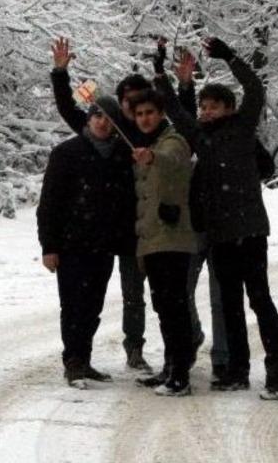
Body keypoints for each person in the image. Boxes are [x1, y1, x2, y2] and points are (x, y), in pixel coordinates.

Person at [49, 37, 205, 374]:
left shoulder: (149, 137)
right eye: (130, 104)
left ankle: (185, 348)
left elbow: (186, 123)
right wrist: (61, 73)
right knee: (133, 295)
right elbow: (72, 110)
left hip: (159, 230)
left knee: (174, 296)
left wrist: (184, 84)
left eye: (142, 105)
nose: (137, 112)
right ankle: (134, 348)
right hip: (124, 233)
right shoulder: (111, 136)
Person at [153, 37, 278, 400]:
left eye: (213, 106)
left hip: (250, 230)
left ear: (229, 109)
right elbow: (173, 111)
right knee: (230, 304)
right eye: (204, 106)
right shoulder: (199, 138)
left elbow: (254, 88)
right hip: (219, 234)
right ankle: (237, 371)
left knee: (260, 300)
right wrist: (161, 70)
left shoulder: (244, 128)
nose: (206, 111)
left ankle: (276, 369)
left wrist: (229, 56)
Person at [36, 97, 137, 389]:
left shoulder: (121, 154)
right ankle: (73, 363)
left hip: (104, 244)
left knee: (93, 305)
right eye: (97, 116)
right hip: (71, 244)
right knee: (73, 306)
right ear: (89, 119)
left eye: (108, 118)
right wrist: (49, 246)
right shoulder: (67, 153)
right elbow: (50, 204)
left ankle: (85, 358)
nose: (102, 123)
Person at [128, 89, 198, 397]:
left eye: (150, 113)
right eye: (139, 114)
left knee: (174, 307)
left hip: (172, 239)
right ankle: (171, 367)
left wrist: (152, 157)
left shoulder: (173, 141)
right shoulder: (149, 143)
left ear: (161, 114)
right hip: (152, 240)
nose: (144, 119)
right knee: (163, 307)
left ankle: (180, 375)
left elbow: (172, 159)